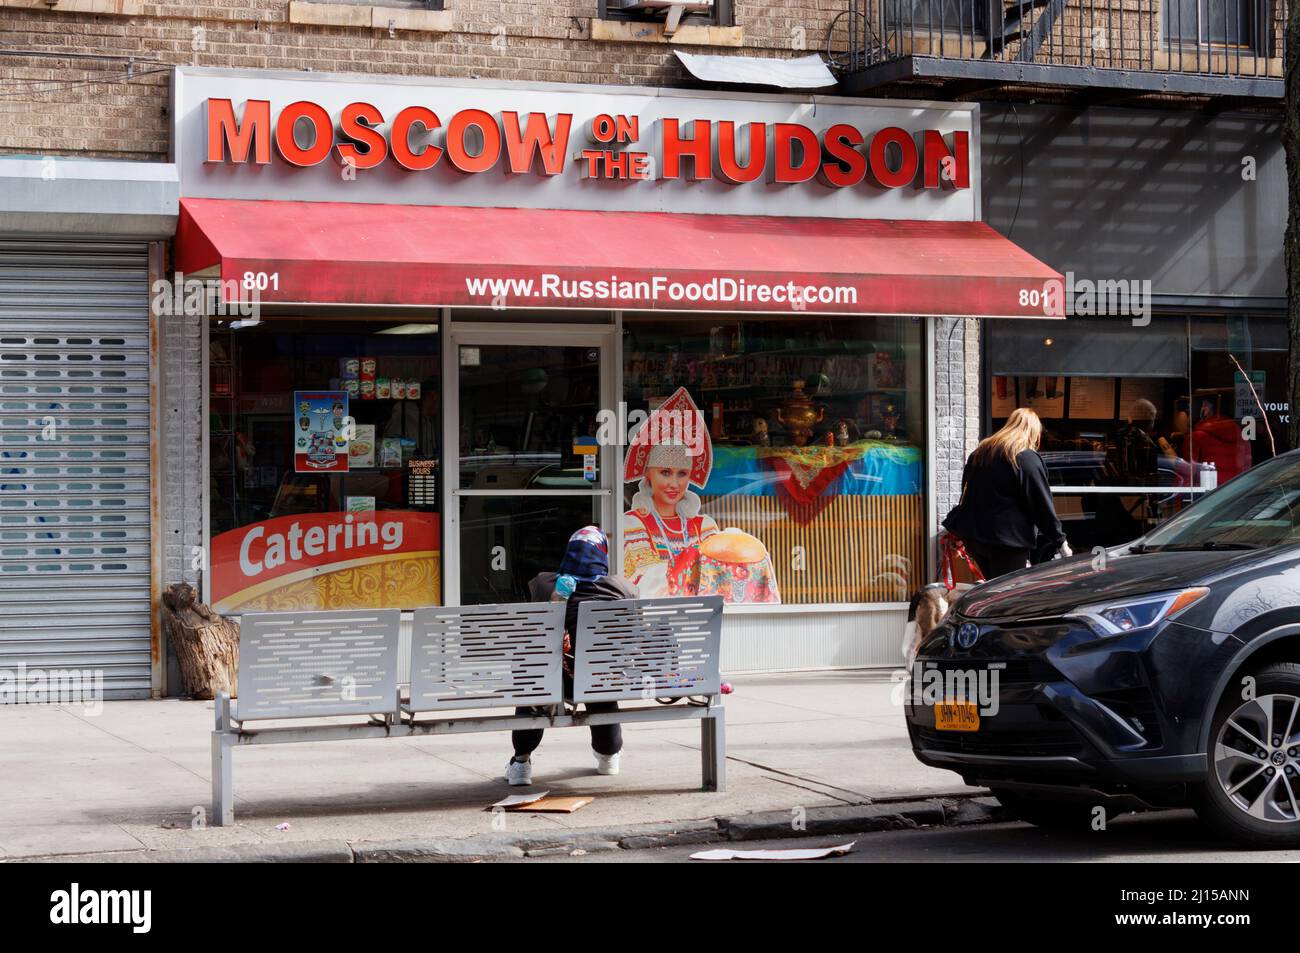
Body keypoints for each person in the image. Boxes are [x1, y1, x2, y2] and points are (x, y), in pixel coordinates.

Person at [505, 525, 637, 787]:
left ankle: (521, 762)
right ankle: (608, 755)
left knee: (536, 683)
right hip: (597, 678)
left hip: (553, 679)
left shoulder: (545, 584)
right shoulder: (620, 590)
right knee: (600, 680)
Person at [942, 407, 1070, 580]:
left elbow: (967, 493)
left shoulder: (980, 453)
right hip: (1008, 541)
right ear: (1032, 432)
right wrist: (1060, 541)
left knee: (992, 588)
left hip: (976, 537)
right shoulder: (1025, 458)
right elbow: (1041, 504)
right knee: (1006, 594)